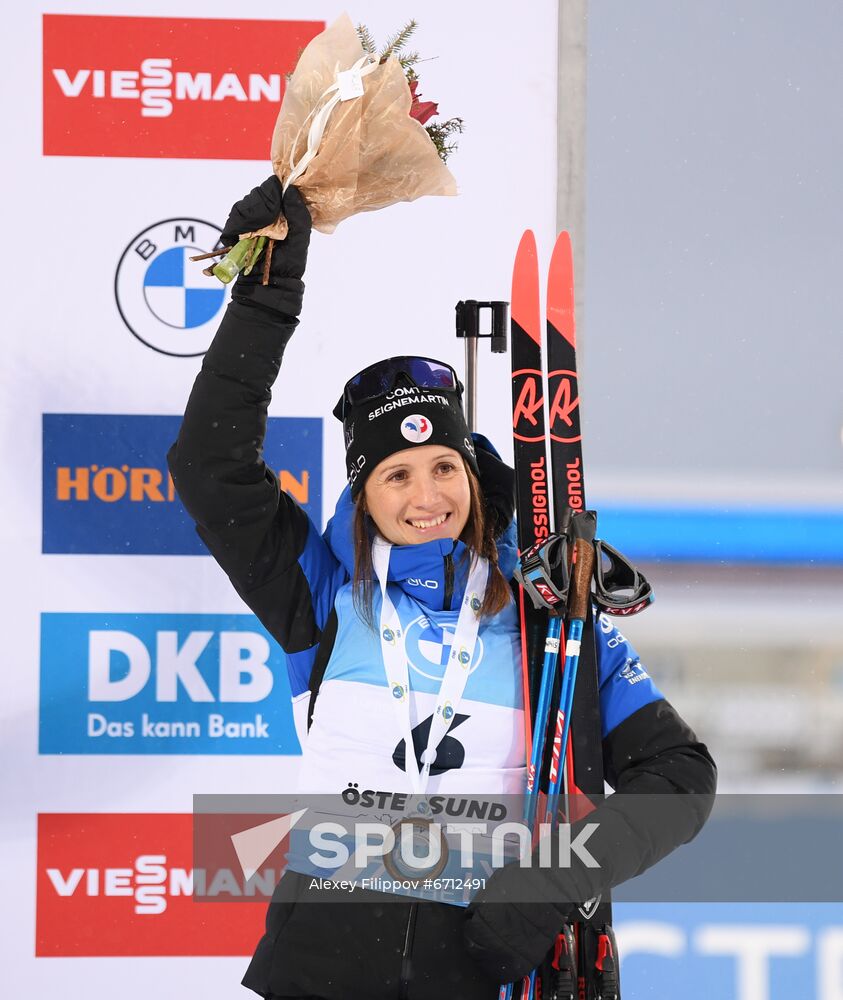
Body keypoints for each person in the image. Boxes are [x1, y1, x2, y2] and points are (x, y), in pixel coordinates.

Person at [169, 177, 717, 1000]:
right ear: (363, 492)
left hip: (485, 963)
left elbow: (680, 776)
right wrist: (266, 295)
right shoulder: (320, 596)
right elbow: (210, 469)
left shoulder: (546, 618)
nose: (426, 496)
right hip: (323, 966)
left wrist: (553, 882)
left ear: (470, 471)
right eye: (396, 474)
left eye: (443, 467)